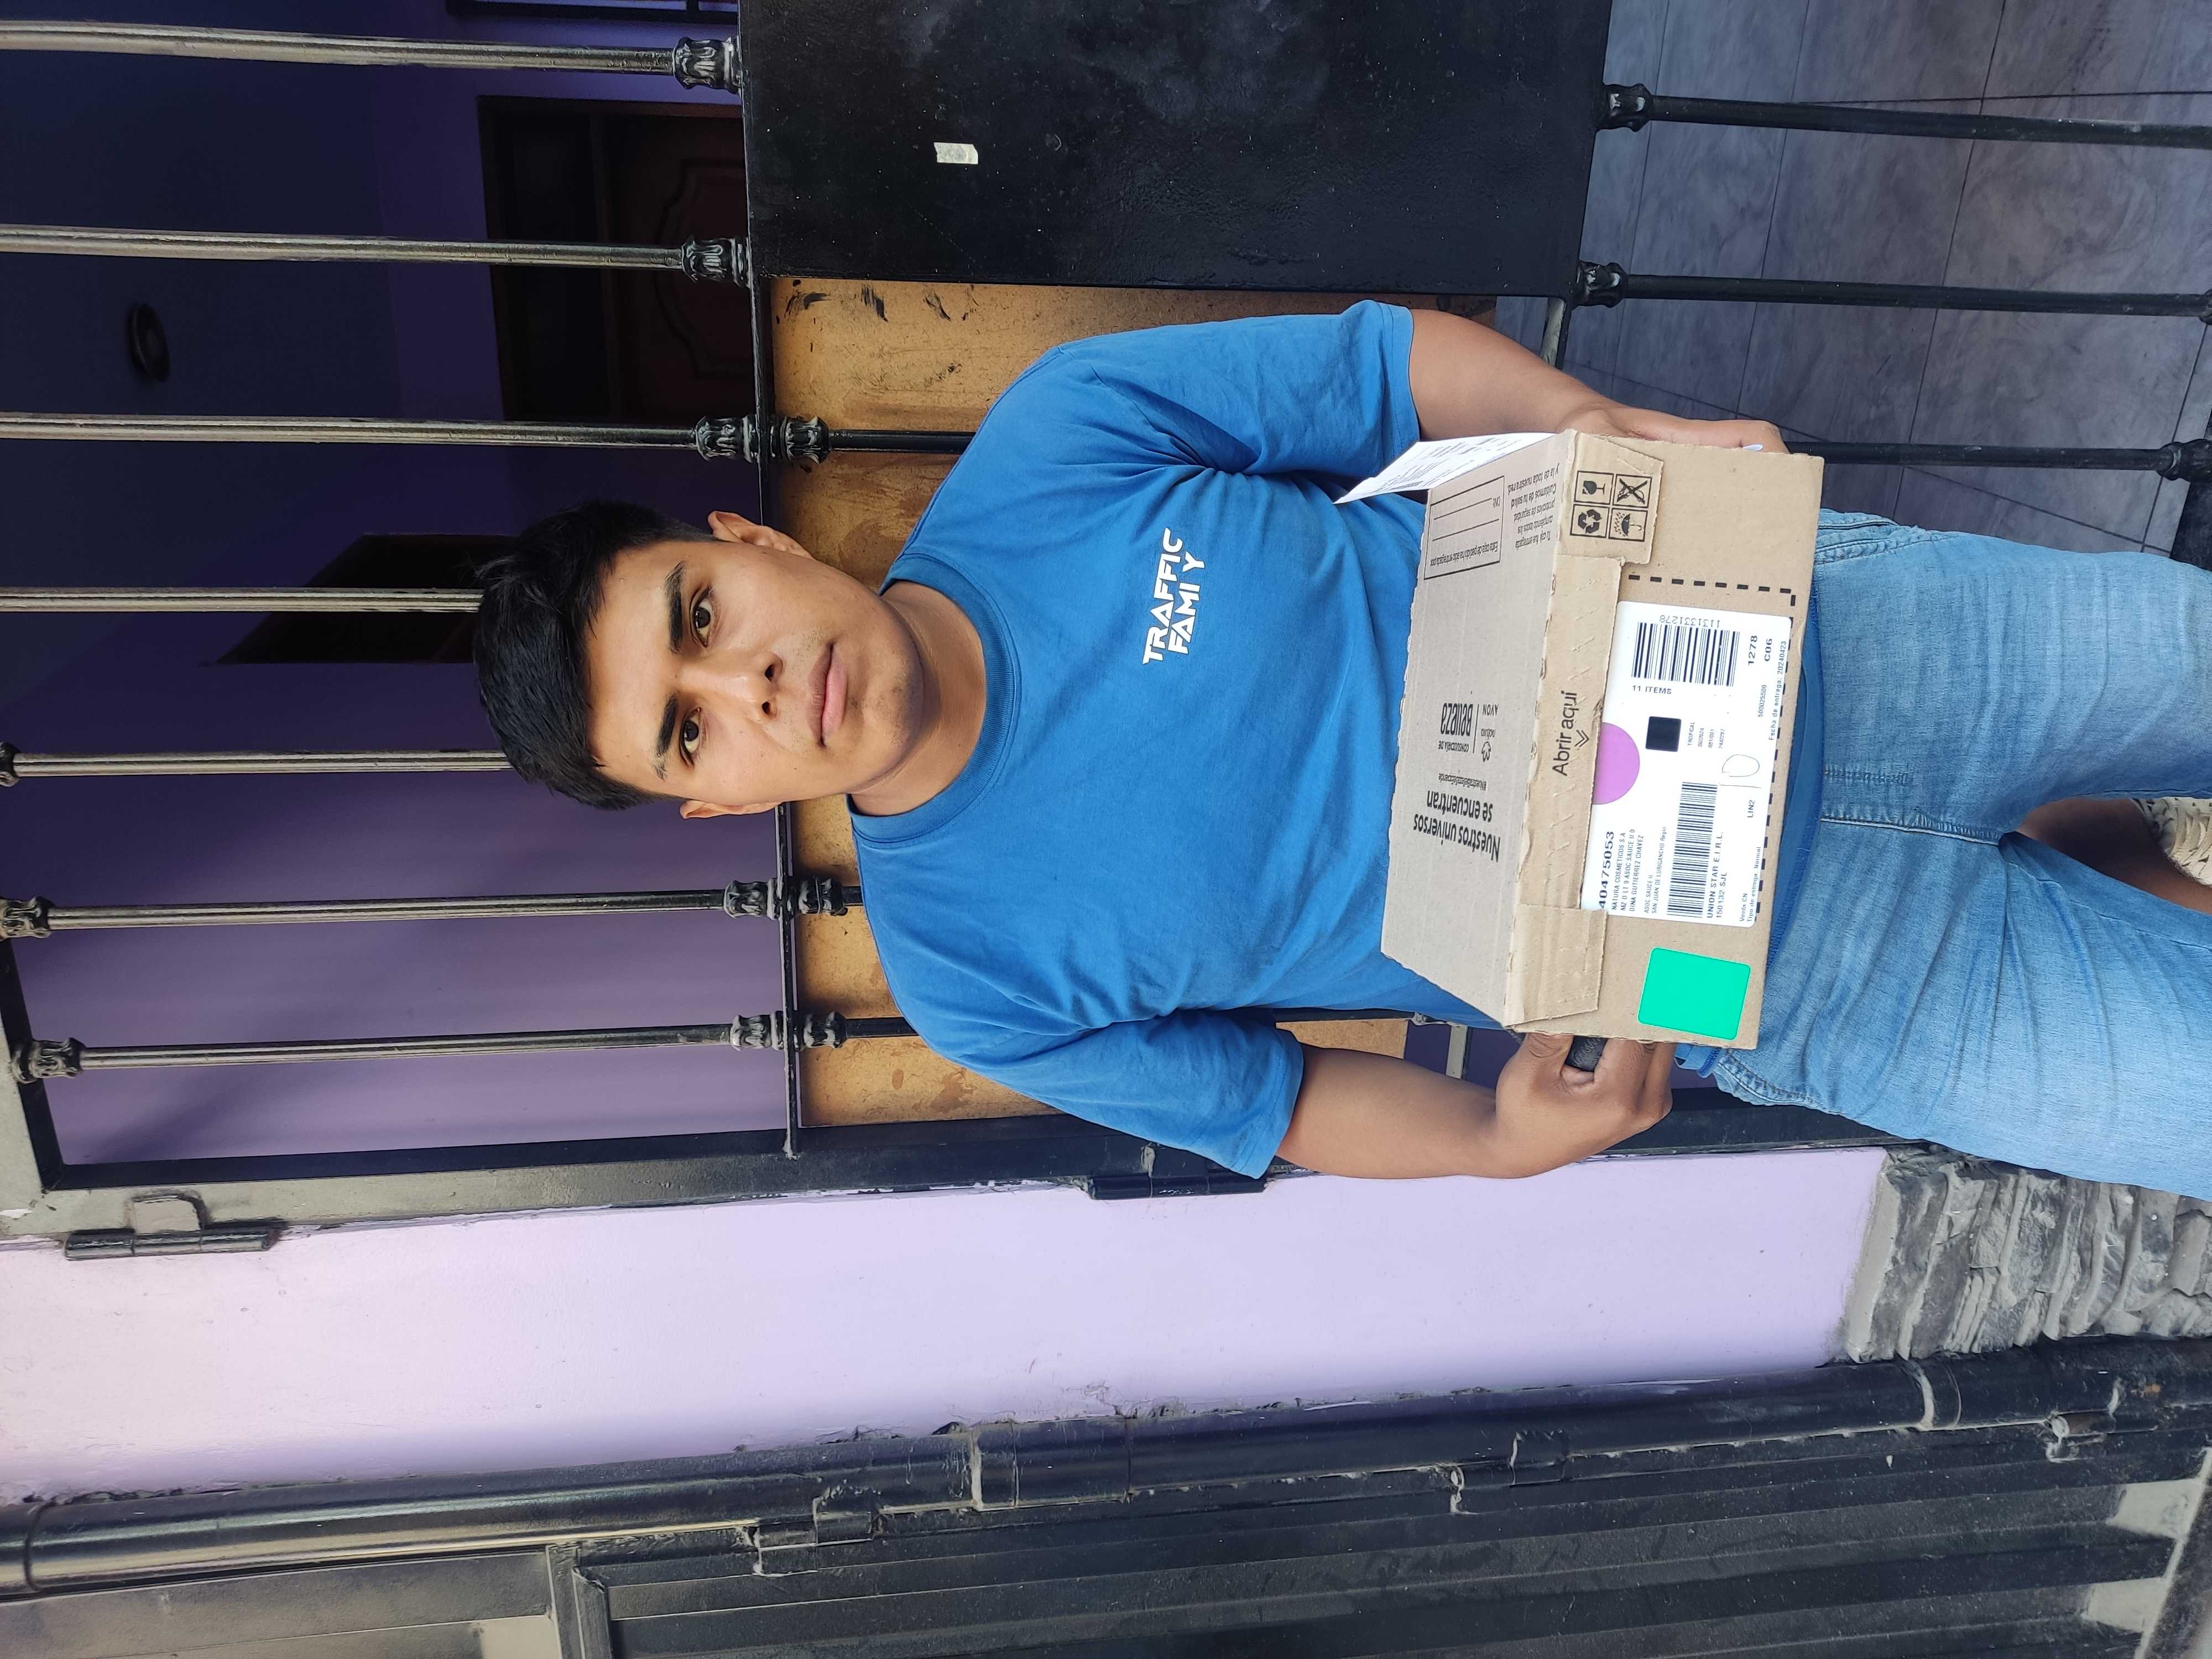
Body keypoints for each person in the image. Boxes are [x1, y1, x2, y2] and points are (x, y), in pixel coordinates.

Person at [472, 302, 2212, 1196]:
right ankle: (2106, 866)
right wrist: (1498, 1144)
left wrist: (1601, 424)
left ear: (748, 542)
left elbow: (1380, 372)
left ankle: (2099, 840)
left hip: (1859, 643)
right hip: (1798, 978)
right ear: (709, 799)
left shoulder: (1058, 439)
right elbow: (1284, 1101)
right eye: (689, 730)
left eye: (701, 615)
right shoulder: (969, 979)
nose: (754, 686)